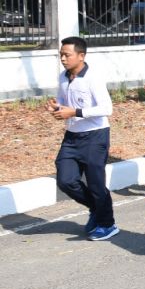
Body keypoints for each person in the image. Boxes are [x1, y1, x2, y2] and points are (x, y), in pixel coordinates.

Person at [49, 36, 118, 240]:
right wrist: (57, 107)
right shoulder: (63, 77)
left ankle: (108, 224)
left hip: (95, 137)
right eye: (61, 54)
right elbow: (63, 102)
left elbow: (107, 108)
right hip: (71, 137)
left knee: (96, 184)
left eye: (66, 55)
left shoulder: (93, 78)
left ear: (81, 56)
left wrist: (75, 113)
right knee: (65, 180)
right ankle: (96, 209)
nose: (62, 58)